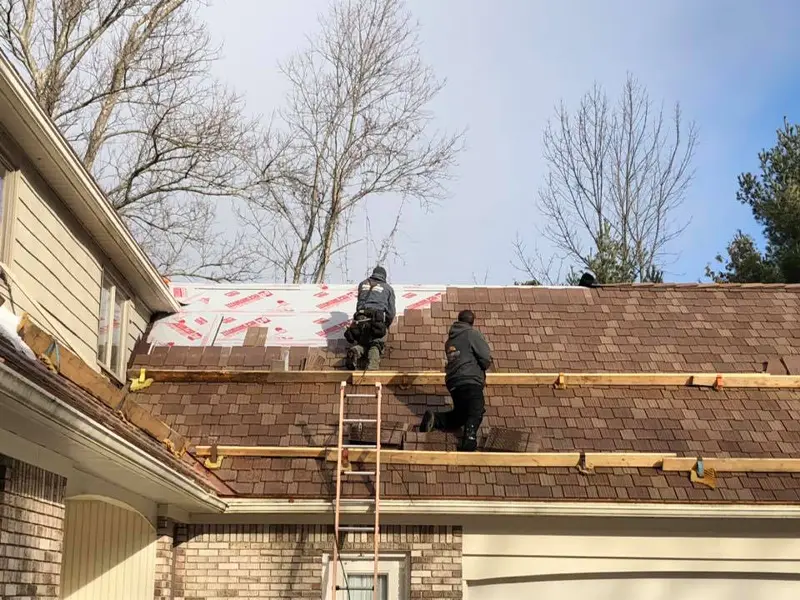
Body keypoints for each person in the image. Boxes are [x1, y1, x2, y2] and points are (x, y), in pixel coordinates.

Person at [419, 309, 492, 451]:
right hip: (469, 379)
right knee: (477, 409)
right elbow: (485, 358)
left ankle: (436, 419)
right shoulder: (472, 334)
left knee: (461, 415)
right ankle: (469, 440)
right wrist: (485, 365)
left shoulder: (451, 340)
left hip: (454, 382)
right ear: (472, 322)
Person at [344, 266, 396, 370]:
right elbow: (391, 313)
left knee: (363, 343)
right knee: (376, 344)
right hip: (375, 322)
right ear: (384, 277)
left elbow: (360, 303)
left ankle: (355, 351)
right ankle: (372, 368)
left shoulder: (362, 284)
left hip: (359, 321)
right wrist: (385, 326)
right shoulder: (388, 288)